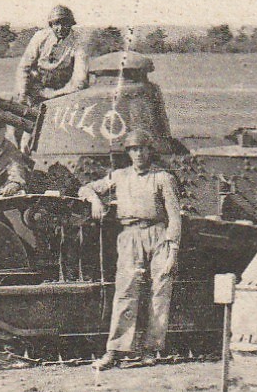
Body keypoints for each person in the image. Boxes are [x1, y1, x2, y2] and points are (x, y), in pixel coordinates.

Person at [78, 127, 182, 370]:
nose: (138, 154)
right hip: (130, 236)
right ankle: (116, 349)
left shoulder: (163, 178)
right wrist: (94, 200)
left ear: (149, 151)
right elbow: (86, 188)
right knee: (125, 291)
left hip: (158, 235)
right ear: (128, 152)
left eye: (142, 149)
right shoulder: (119, 176)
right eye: (133, 149)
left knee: (159, 293)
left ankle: (151, 349)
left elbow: (174, 218)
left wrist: (173, 251)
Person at [15, 4, 91, 104]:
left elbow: (80, 79)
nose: (60, 28)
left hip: (65, 90)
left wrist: (54, 95)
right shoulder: (40, 37)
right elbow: (24, 67)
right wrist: (23, 93)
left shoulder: (79, 42)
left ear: (71, 24)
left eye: (65, 24)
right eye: (56, 24)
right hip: (37, 87)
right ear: (51, 25)